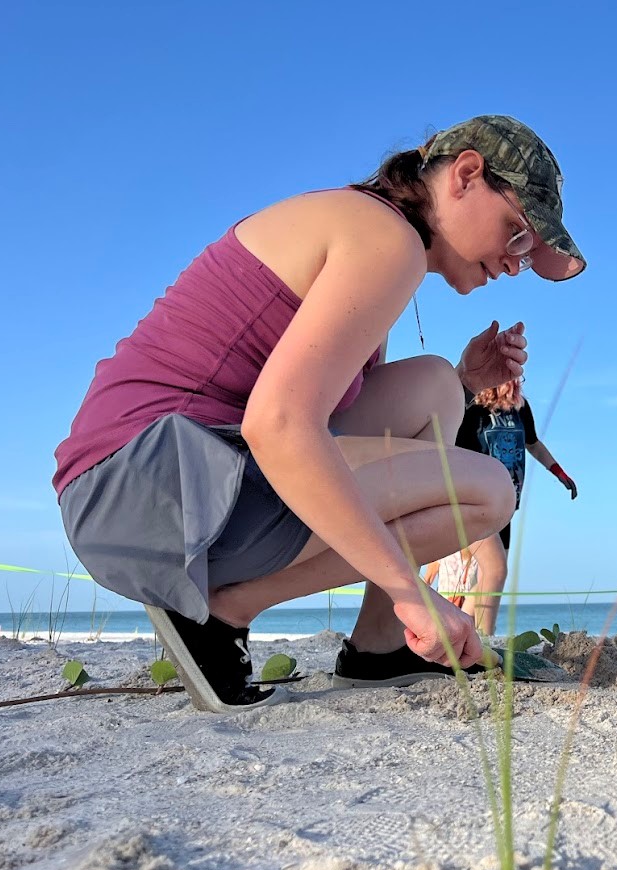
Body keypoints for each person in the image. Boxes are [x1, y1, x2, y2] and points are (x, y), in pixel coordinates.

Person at [51, 115, 586, 712]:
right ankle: (222, 615)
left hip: (142, 476)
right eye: (517, 233)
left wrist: (466, 384)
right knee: (488, 492)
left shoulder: (364, 222)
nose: (517, 263)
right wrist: (411, 593)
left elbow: (307, 413)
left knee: (435, 383)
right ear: (465, 174)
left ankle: (379, 648)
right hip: (147, 485)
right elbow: (278, 424)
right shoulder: (388, 241)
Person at [456, 378, 578, 635]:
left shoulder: (520, 408)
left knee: (486, 579)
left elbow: (532, 443)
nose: (516, 381)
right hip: (475, 502)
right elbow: (452, 450)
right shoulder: (472, 410)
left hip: (506, 505)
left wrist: (559, 473)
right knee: (496, 569)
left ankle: (459, 639)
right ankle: (485, 642)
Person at [423, 547, 479, 611]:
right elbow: (428, 579)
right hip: (443, 607)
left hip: (467, 611)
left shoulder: (479, 555)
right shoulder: (443, 550)